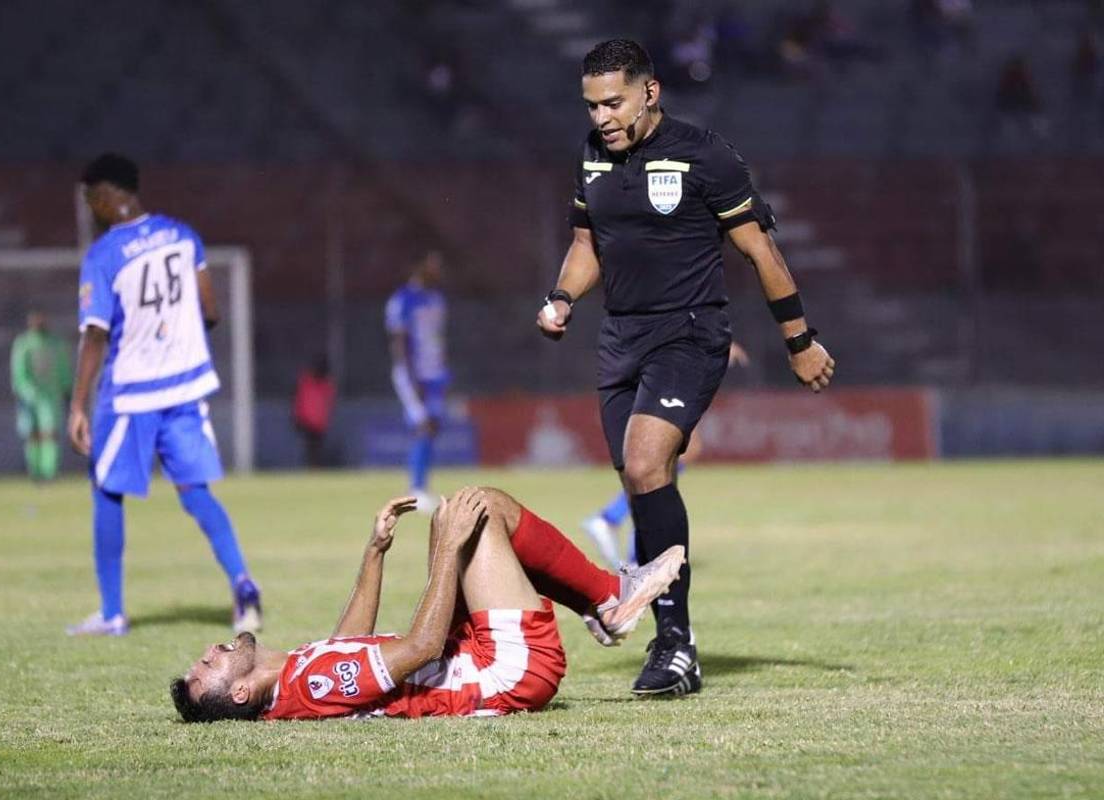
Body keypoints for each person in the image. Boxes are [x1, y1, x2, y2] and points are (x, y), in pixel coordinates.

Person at [536, 40, 835, 696]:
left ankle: (673, 642)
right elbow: (586, 244)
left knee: (647, 465)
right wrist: (562, 298)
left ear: (651, 92)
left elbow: (761, 253)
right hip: (620, 339)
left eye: (614, 102)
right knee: (642, 483)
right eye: (591, 106)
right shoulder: (592, 155)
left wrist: (800, 340)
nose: (602, 117)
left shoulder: (705, 155)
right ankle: (677, 644)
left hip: (690, 333)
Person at [170, 487, 688, 721]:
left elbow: (345, 643)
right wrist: (448, 551)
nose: (209, 652)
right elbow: (421, 647)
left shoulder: (297, 679)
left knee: (450, 515)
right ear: (240, 692)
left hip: (469, 657)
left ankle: (603, 605)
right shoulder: (309, 684)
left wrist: (375, 552)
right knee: (480, 508)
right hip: (507, 672)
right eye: (206, 669)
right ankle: (606, 598)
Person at [66, 153, 262, 637]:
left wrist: (77, 404)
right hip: (186, 384)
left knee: (107, 488)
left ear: (105, 197)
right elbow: (210, 310)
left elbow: (95, 334)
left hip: (132, 391)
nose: (90, 210)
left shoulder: (104, 255)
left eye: (90, 201)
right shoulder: (182, 235)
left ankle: (112, 612)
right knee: (195, 491)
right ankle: (243, 584)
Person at [582, 342, 749, 570]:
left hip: (653, 353)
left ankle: (622, 534)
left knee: (675, 453)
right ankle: (613, 523)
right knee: (668, 456)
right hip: (663, 356)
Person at [386, 250, 448, 510]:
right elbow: (398, 344)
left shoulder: (437, 299)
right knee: (422, 427)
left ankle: (421, 486)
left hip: (434, 375)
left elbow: (438, 339)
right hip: (413, 375)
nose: (438, 270)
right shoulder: (402, 300)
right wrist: (411, 380)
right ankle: (416, 489)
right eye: (433, 265)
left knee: (431, 427)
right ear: (419, 266)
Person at [10, 310, 73, 482]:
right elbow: (18, 372)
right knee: (32, 434)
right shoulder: (24, 344)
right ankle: (35, 470)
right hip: (29, 397)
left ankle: (49, 470)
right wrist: (23, 391)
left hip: (51, 396)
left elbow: (63, 368)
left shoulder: (55, 343)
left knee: (50, 433)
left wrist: (67, 389)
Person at [292, 353, 337, 468]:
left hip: (318, 423)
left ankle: (314, 467)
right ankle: (312, 466)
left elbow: (328, 404)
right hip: (308, 421)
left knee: (315, 448)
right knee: (311, 448)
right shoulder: (307, 381)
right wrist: (297, 417)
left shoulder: (326, 384)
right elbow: (299, 400)